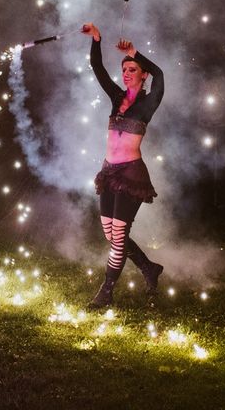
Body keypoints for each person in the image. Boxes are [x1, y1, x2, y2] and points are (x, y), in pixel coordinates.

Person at [81, 21, 165, 309]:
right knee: (110, 233)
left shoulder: (148, 103)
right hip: (108, 171)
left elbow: (162, 75)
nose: (127, 74)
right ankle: (149, 268)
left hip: (130, 174)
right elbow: (98, 70)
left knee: (118, 236)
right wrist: (96, 39)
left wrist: (136, 53)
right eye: (125, 69)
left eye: (133, 70)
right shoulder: (117, 99)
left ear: (143, 74)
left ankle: (106, 291)